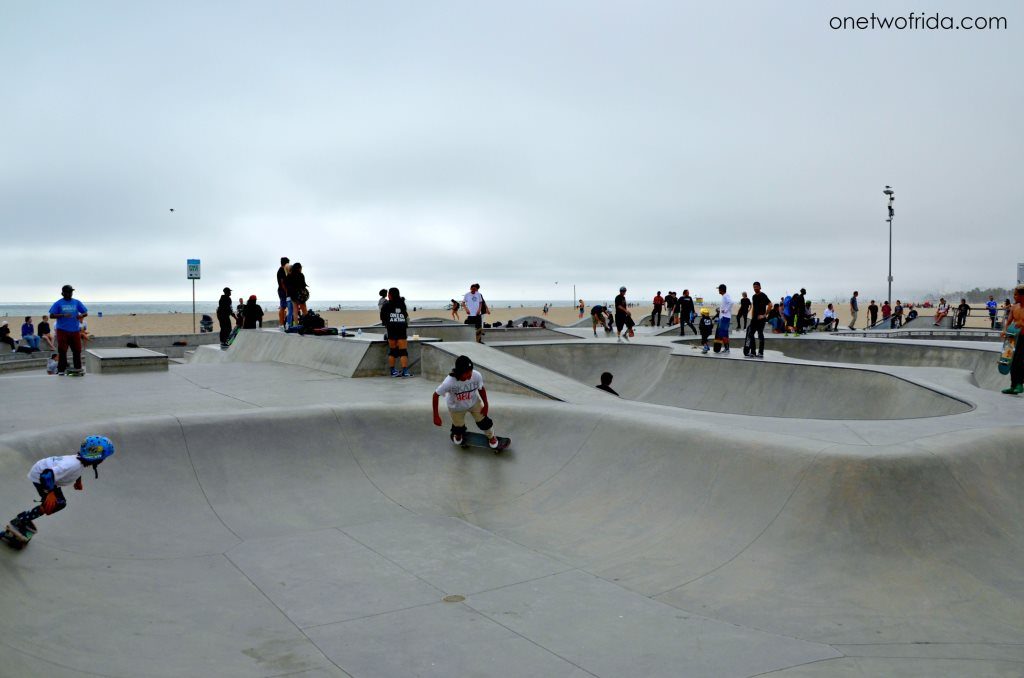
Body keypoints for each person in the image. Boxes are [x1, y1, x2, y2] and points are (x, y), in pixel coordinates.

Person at [4, 435, 115, 543]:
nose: (104, 460)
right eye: (104, 458)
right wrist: (50, 493)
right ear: (97, 458)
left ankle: (24, 518)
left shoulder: (78, 462)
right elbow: (46, 475)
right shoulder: (73, 465)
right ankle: (21, 520)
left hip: (49, 478)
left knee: (58, 502)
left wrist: (78, 481)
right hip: (41, 477)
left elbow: (72, 472)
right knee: (56, 503)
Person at [431, 355, 503, 449]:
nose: (469, 375)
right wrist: (436, 415)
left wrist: (486, 404)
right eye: (466, 373)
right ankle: (458, 434)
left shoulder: (476, 375)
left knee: (484, 422)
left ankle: (491, 436)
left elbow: (481, 389)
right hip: (456, 407)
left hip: (474, 403)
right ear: (459, 372)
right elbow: (435, 395)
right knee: (458, 428)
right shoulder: (449, 382)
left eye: (471, 371)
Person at [48, 284, 88, 374]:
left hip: (75, 330)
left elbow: (85, 312)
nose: (70, 294)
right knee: (62, 351)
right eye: (68, 292)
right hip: (62, 330)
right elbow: (51, 315)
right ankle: (61, 369)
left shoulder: (76, 302)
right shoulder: (58, 303)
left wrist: (81, 315)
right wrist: (63, 315)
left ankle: (78, 368)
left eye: (71, 292)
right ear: (63, 293)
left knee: (77, 350)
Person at [381, 287, 411, 377]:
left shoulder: (386, 305)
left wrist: (387, 324)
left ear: (389, 295)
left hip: (391, 329)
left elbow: (382, 317)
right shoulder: (402, 303)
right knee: (403, 351)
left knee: (393, 351)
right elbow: (405, 316)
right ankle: (405, 371)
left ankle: (393, 371)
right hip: (401, 329)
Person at [1000, 285, 1024, 394]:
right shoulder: (1014, 307)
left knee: (1020, 361)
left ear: (1022, 295)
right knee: (1010, 361)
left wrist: (1022, 323)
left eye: (1016, 294)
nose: (1014, 296)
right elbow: (1008, 321)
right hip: (1013, 337)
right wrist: (1004, 330)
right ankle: (1013, 385)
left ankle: (1020, 385)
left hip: (1023, 338)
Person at [746, 281, 770, 357]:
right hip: (754, 319)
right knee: (750, 334)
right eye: (754, 287)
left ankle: (760, 352)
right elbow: (753, 308)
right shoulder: (754, 296)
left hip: (761, 319)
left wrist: (764, 315)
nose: (755, 288)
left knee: (760, 334)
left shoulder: (763, 295)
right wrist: (752, 317)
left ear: (760, 287)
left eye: (756, 287)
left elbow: (770, 305)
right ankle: (753, 352)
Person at [716, 284, 732, 353]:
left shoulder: (726, 295)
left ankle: (727, 349)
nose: (718, 291)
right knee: (724, 334)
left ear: (721, 290)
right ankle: (727, 348)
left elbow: (731, 303)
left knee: (723, 333)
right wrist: (720, 310)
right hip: (723, 317)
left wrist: (725, 310)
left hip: (725, 318)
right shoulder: (724, 296)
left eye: (719, 289)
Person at [276, 257, 290, 328]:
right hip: (282, 290)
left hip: (282, 290)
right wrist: (286, 291)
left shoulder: (282, 270)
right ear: (286, 263)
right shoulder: (281, 270)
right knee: (283, 307)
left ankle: (282, 323)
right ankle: (281, 324)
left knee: (283, 307)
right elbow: (282, 283)